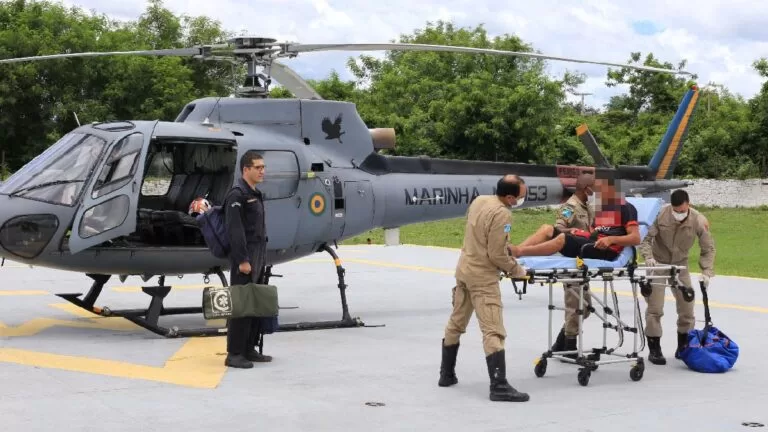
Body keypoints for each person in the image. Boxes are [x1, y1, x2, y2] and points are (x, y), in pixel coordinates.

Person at [439, 174, 530, 403]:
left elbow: (481, 237)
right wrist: (516, 270)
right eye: (521, 196)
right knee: (493, 330)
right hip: (483, 278)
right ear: (509, 197)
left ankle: (446, 374)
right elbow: (497, 254)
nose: (522, 199)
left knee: (456, 322)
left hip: (464, 270)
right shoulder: (503, 213)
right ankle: (498, 385)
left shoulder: (480, 201)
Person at [638, 189, 716, 365]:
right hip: (658, 263)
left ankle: (683, 346)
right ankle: (654, 348)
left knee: (687, 306)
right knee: (655, 307)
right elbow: (645, 238)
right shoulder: (659, 214)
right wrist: (648, 257)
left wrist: (706, 271)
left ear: (688, 204)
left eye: (682, 211)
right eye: (676, 211)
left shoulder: (699, 220)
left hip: (681, 265)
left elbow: (708, 248)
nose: (679, 214)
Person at [508, 176, 641, 262]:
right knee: (547, 229)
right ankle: (513, 253)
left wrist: (611, 239)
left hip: (606, 250)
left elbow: (635, 238)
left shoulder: (625, 208)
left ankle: (520, 252)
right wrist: (577, 232)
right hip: (591, 243)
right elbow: (594, 233)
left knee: (563, 239)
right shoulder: (599, 209)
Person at [223, 150, 272, 369]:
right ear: (246, 170)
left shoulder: (255, 193)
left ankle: (249, 348)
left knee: (255, 304)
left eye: (263, 167)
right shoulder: (237, 195)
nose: (263, 171)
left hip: (258, 255)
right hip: (245, 257)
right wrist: (243, 260)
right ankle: (234, 354)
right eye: (258, 167)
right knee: (241, 306)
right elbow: (235, 231)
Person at [548, 172, 596, 357]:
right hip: (571, 261)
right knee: (574, 304)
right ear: (586, 188)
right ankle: (569, 345)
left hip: (582, 261)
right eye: (593, 186)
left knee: (585, 307)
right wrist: (572, 230)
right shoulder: (570, 206)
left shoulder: (587, 206)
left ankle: (561, 342)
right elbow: (557, 228)